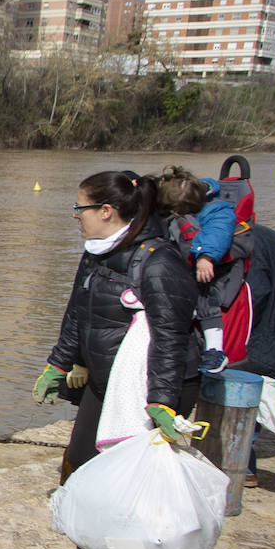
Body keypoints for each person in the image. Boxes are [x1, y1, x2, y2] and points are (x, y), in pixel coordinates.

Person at [33, 171, 200, 485]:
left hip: (152, 383)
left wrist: (162, 400)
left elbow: (171, 339)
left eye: (80, 208)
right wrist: (59, 363)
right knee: (80, 465)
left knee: (132, 476)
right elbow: (77, 313)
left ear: (106, 211)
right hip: (107, 378)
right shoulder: (95, 252)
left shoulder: (159, 261)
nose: (75, 215)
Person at [153, 165, 239, 373]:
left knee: (206, 300)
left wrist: (206, 257)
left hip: (208, 268)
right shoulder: (179, 204)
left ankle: (215, 350)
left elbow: (217, 234)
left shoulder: (217, 210)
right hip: (180, 263)